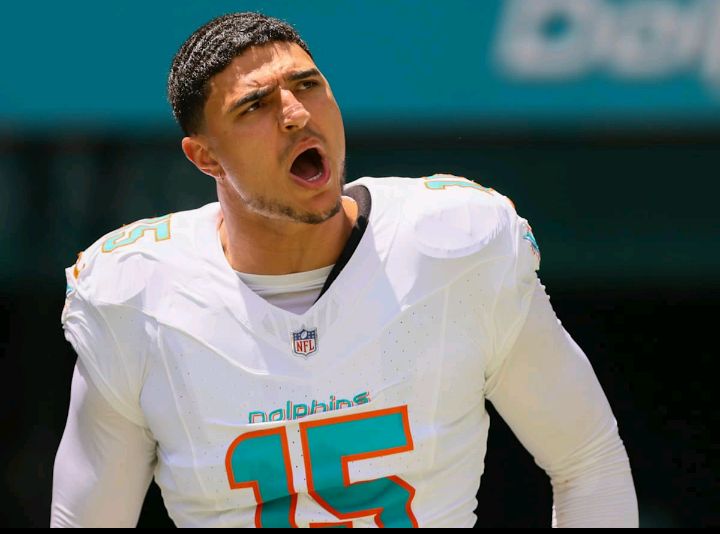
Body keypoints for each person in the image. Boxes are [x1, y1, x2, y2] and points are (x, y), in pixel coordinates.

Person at [51, 12, 638, 528]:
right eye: (254, 105)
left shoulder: (456, 246)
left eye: (308, 85)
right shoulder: (136, 297)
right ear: (205, 157)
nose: (295, 114)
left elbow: (588, 462)